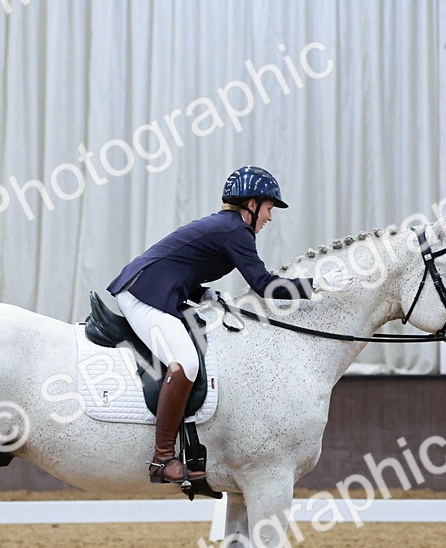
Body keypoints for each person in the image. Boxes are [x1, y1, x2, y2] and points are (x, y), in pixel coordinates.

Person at [106, 165, 315, 485]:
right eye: (269, 209)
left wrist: (204, 293)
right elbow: (264, 285)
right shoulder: (236, 231)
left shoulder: (226, 227)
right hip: (142, 294)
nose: (270, 218)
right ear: (252, 204)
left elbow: (180, 263)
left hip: (154, 288)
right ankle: (162, 459)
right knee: (186, 362)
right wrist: (313, 286)